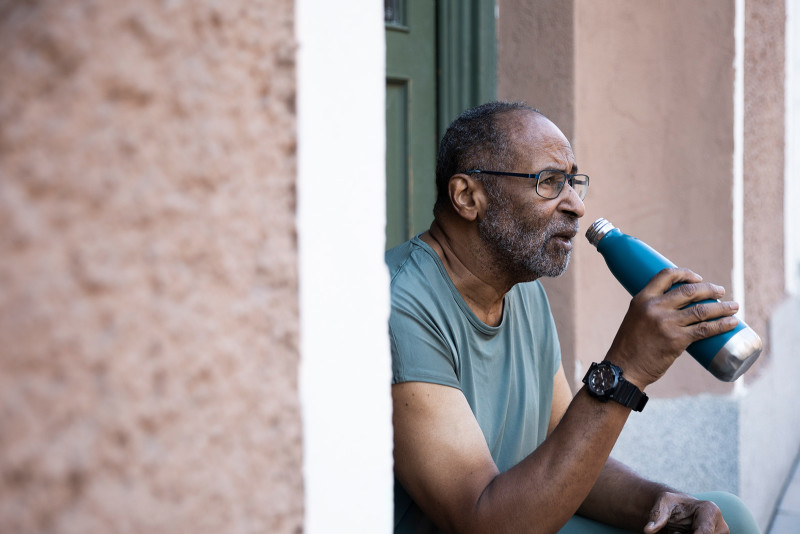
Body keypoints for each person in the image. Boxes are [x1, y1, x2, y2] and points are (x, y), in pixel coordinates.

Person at [386, 101, 761, 534]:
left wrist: (659, 502)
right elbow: (486, 523)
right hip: (497, 521)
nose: (576, 206)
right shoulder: (398, 306)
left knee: (724, 516)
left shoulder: (524, 293)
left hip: (524, 511)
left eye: (573, 182)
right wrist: (625, 371)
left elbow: (568, 453)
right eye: (549, 182)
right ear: (468, 197)